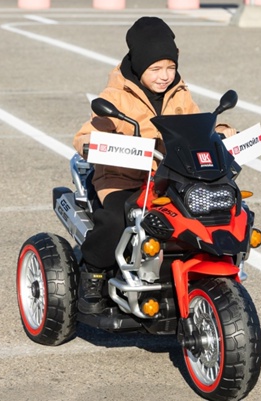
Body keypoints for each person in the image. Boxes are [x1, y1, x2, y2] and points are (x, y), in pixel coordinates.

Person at [72, 16, 235, 314]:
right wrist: (98, 146)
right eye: (156, 69)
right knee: (117, 220)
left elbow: (199, 125)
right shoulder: (115, 97)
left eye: (170, 67)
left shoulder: (179, 93)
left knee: (211, 210)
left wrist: (222, 131)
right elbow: (85, 137)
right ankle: (93, 273)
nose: (165, 76)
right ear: (139, 66)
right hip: (123, 180)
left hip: (169, 177)